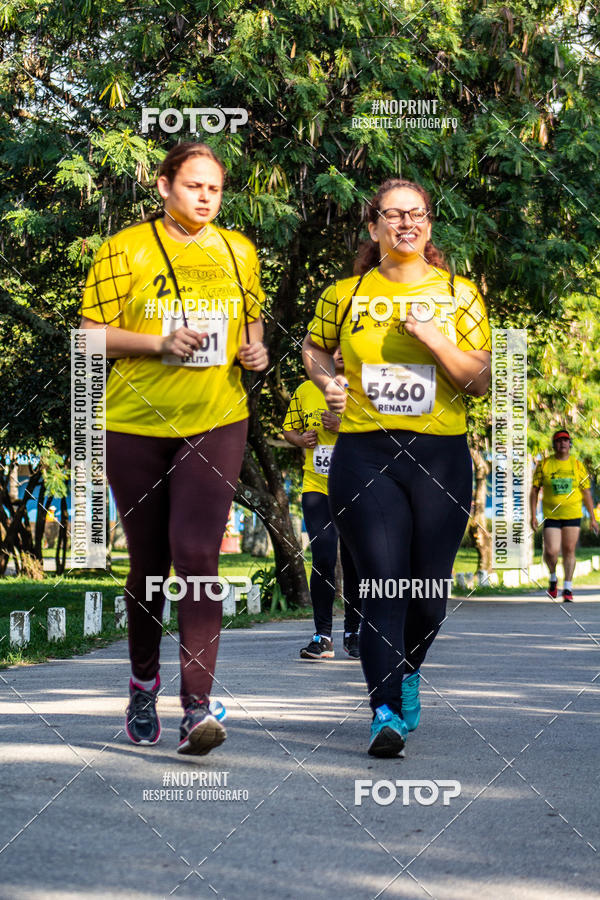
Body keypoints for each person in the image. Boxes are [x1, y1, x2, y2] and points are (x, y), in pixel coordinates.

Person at [79, 142, 268, 755]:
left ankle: (197, 707)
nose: (207, 196)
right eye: (194, 185)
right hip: (135, 422)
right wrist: (158, 344)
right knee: (149, 566)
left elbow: (253, 324)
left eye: (215, 187)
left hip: (217, 418)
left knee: (198, 557)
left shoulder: (239, 251)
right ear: (164, 186)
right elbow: (88, 339)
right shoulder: (123, 248)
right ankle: (141, 682)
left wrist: (256, 352)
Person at [302, 178, 491, 757]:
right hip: (365, 453)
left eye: (417, 215)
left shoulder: (461, 295)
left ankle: (407, 672)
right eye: (393, 215)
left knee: (428, 596)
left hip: (440, 456)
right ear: (373, 226)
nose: (405, 224)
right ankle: (383, 710)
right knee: (383, 581)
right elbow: (312, 348)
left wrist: (435, 339)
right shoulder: (345, 293)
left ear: (429, 225)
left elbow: (483, 381)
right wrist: (328, 380)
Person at [283, 348, 362, 660]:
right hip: (317, 486)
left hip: (357, 486)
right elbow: (288, 429)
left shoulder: (365, 387)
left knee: (355, 561)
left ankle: (354, 633)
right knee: (324, 557)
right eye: (333, 348)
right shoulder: (306, 390)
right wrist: (301, 439)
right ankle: (323, 636)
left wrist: (343, 428)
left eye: (345, 345)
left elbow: (382, 433)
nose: (340, 352)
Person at [530, 429, 598, 601]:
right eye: (559, 441)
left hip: (572, 514)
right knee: (551, 551)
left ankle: (568, 588)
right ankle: (553, 578)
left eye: (565, 441)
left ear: (570, 444)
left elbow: (587, 493)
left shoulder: (577, 465)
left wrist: (592, 518)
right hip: (551, 515)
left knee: (569, 549)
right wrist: (533, 515)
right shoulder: (544, 464)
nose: (562, 444)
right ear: (554, 444)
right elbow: (534, 490)